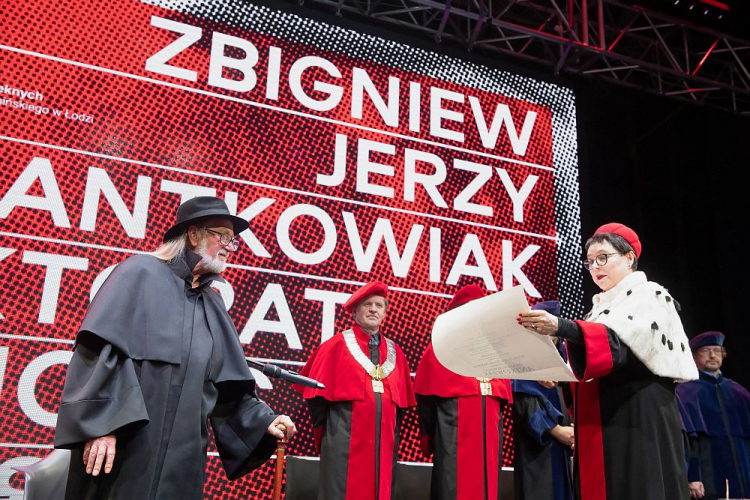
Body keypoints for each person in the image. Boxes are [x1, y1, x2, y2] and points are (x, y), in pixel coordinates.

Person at [54, 196, 296, 500]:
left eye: (232, 241)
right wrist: (101, 424)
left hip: (183, 462)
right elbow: (99, 352)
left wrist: (263, 420)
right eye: (222, 236)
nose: (229, 247)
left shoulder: (214, 304)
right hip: (125, 450)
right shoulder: (138, 272)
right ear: (194, 235)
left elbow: (227, 390)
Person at [518, 222, 698, 500]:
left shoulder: (650, 295)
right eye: (590, 262)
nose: (596, 267)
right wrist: (561, 376)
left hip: (638, 412)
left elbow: (619, 346)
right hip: (605, 415)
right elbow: (594, 356)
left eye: (603, 257)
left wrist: (562, 326)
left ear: (629, 258)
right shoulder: (599, 309)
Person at [294, 281, 416, 499]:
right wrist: (335, 434)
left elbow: (401, 408)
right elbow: (317, 402)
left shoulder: (396, 352)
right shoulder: (336, 346)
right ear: (355, 312)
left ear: (385, 313)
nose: (373, 309)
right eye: (367, 304)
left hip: (384, 446)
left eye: (379, 305)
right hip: (344, 444)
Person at [414, 284, 512, 500]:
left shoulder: (496, 351)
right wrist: (430, 438)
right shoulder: (441, 348)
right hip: (454, 440)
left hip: (489, 439)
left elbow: (502, 403)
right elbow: (426, 401)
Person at [675, 331, 750, 499]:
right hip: (708, 475)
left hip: (744, 473)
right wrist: (692, 477)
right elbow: (688, 442)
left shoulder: (739, 392)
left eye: (716, 350)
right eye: (705, 351)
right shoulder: (686, 392)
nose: (712, 355)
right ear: (694, 357)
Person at [512, 300, 574, 500]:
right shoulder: (525, 359)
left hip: (567, 444)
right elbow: (524, 403)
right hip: (539, 446)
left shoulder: (565, 358)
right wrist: (556, 431)